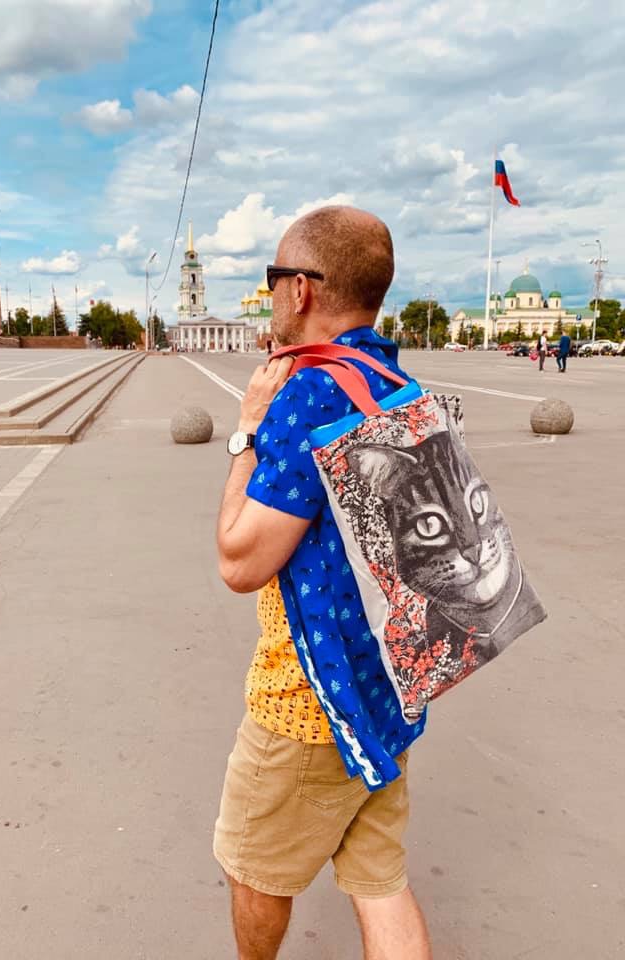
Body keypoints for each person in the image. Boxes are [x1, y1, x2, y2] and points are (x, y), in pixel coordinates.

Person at [214, 206, 432, 960]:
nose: (272, 293)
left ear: (301, 289)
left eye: (273, 277)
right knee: (380, 881)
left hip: (310, 698)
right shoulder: (395, 379)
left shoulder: (306, 395)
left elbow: (239, 561)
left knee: (253, 870)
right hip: (392, 678)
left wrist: (247, 430)